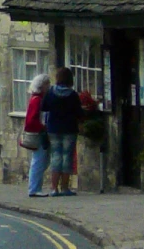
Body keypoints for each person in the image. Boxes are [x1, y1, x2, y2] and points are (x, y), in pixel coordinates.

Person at [41, 66, 83, 196]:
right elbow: (79, 113)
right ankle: (65, 187)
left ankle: (54, 188)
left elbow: (43, 107)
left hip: (53, 128)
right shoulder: (73, 95)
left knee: (56, 156)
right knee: (67, 157)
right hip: (69, 129)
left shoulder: (51, 92)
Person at [24, 73, 51, 197]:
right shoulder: (37, 100)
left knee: (42, 161)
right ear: (42, 85)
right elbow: (31, 120)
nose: (49, 86)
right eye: (47, 84)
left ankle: (35, 188)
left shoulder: (37, 98)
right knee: (39, 161)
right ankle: (34, 189)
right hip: (38, 134)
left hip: (38, 133)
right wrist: (42, 127)